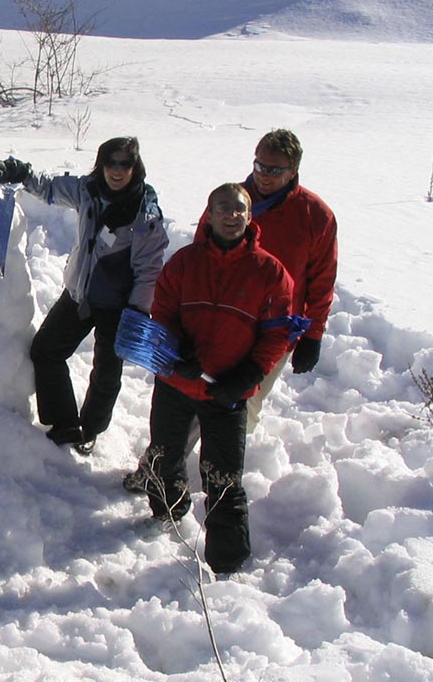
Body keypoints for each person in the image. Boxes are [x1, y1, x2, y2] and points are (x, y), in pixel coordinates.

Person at [124, 128, 337, 490]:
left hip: (270, 332)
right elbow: (197, 260)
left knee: (241, 405)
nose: (264, 176)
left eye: (275, 170)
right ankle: (159, 472)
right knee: (190, 398)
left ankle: (221, 475)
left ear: (294, 170)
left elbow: (322, 280)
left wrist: (313, 335)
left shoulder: (315, 216)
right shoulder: (230, 202)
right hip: (215, 325)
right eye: (260, 166)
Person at [0, 137, 169, 454]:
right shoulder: (89, 190)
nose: (117, 171)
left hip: (118, 307)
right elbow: (48, 187)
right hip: (79, 294)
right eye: (110, 163)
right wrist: (14, 170)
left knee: (106, 374)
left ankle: (89, 430)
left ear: (135, 167)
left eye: (124, 164)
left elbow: (149, 270)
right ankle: (64, 424)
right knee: (46, 351)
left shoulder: (145, 215)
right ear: (101, 164)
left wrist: (136, 312)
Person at [142, 183, 293, 574]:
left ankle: (227, 564)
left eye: (239, 209)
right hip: (177, 382)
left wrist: (247, 376)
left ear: (249, 215)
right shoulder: (184, 263)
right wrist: (178, 352)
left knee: (223, 478)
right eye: (222, 207)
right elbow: (162, 311)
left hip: (226, 393)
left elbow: (277, 334)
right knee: (164, 455)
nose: (231, 215)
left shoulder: (270, 272)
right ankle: (166, 513)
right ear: (208, 214)